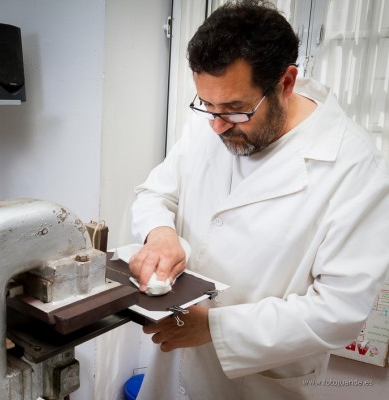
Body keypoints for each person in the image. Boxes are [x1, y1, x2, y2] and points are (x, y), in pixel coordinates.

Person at [128, 1, 389, 399]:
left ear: (285, 83)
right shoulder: (213, 118)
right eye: (207, 105)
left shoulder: (355, 167)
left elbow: (339, 312)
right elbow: (156, 192)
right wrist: (161, 233)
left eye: (235, 110)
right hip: (174, 367)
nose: (216, 125)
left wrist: (216, 328)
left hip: (260, 383)